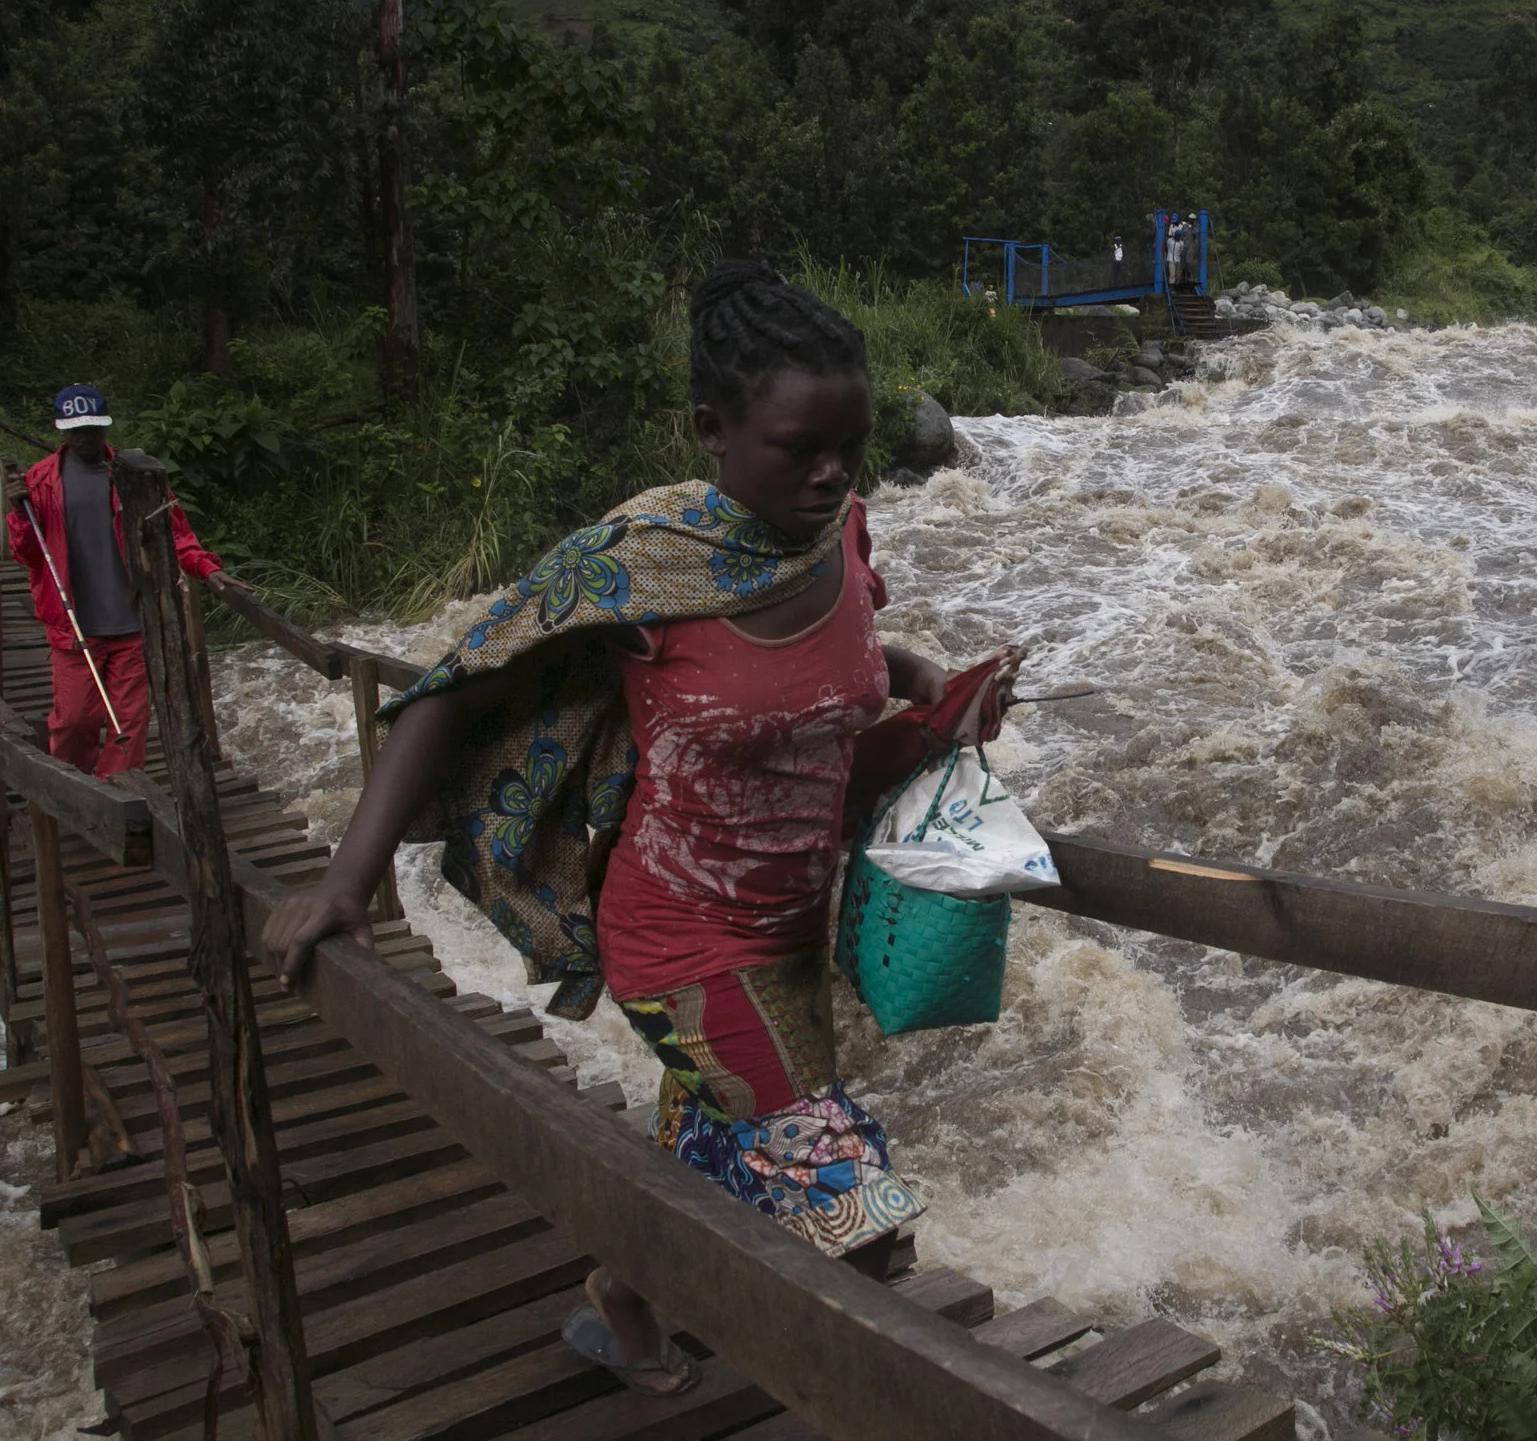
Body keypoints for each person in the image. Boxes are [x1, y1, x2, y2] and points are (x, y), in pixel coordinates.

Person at [262, 260, 993, 1396]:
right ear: (712, 430)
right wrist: (346, 881)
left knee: (716, 1135)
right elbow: (453, 685)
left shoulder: (834, 535)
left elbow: (837, 663)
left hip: (794, 924)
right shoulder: (642, 562)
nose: (831, 472)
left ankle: (629, 1296)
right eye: (799, 447)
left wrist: (914, 677)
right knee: (847, 1208)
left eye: (849, 447)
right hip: (679, 934)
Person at [5, 383, 227, 777]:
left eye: (93, 428)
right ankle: (75, 792)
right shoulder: (39, 481)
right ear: (62, 432)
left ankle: (122, 796)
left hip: (133, 623)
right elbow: (26, 553)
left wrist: (206, 568)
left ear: (105, 427)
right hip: (74, 626)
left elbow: (173, 534)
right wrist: (19, 514)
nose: (85, 437)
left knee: (129, 727)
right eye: (76, 430)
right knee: (74, 722)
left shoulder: (135, 475)